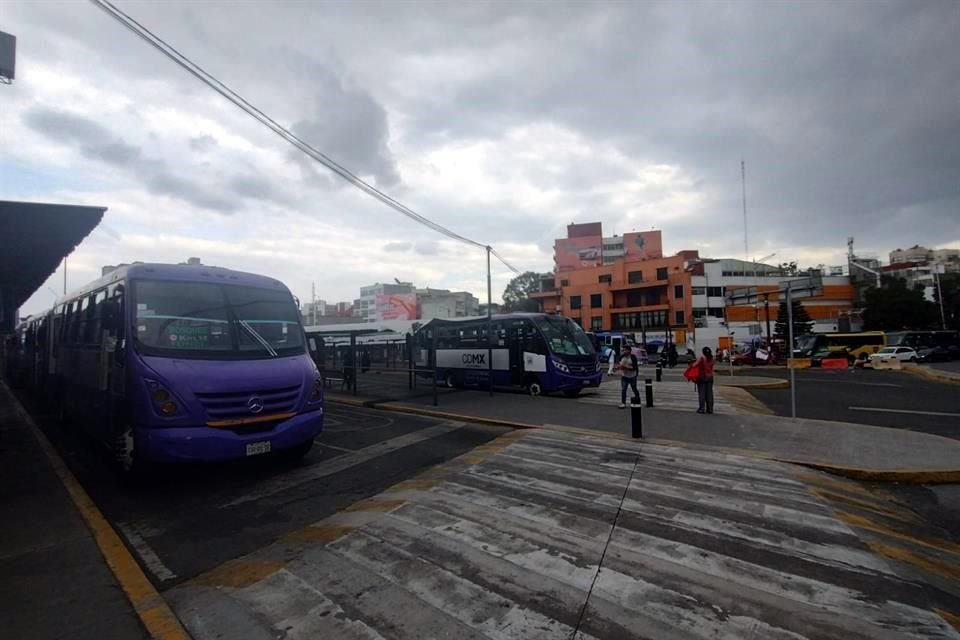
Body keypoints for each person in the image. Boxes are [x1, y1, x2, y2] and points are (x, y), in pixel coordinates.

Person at [694, 346, 715, 414]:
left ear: (703, 352)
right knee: (709, 394)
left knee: (702, 393)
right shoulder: (713, 359)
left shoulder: (702, 358)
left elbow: (694, 365)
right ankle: (710, 409)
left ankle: (702, 408)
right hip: (710, 377)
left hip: (702, 378)